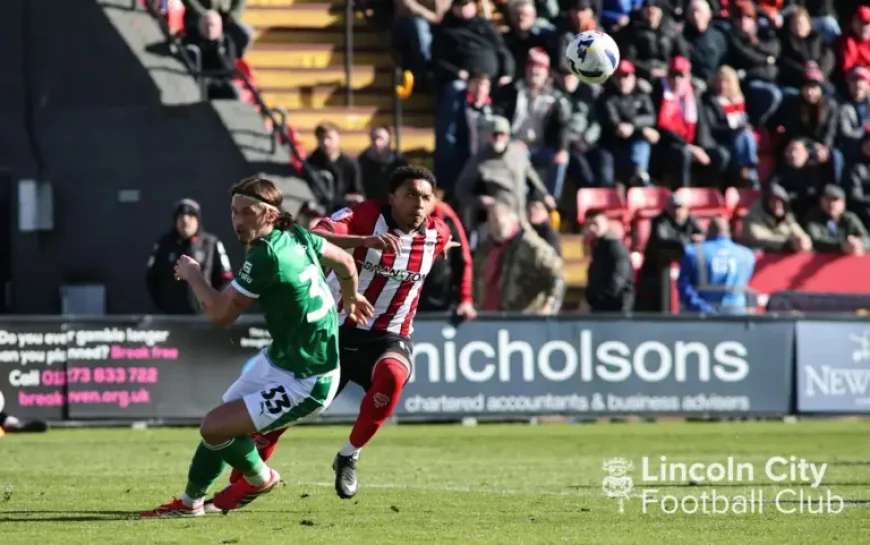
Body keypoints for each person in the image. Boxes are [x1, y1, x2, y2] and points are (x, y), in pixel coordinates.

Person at [206, 166, 457, 504]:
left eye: (425, 197)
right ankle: (245, 483)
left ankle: (349, 455)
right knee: (277, 419)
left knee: (393, 376)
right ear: (392, 197)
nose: (418, 203)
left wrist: (458, 275)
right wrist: (361, 241)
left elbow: (450, 246)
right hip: (333, 330)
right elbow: (313, 235)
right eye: (410, 194)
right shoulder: (362, 215)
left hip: (388, 334)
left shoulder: (437, 233)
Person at [141, 177, 373, 517]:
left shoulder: (267, 257)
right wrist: (352, 296)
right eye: (233, 211)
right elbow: (346, 262)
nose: (237, 220)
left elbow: (221, 315)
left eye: (246, 212)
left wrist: (193, 275)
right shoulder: (297, 235)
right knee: (219, 425)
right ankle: (191, 504)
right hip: (282, 361)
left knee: (214, 426)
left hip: (308, 380)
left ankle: (259, 477)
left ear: (268, 214)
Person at [146, 198, 233, 314]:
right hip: (170, 317)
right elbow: (151, 278)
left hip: (204, 318)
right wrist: (163, 305)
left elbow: (226, 278)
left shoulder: (211, 244)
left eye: (190, 216)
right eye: (181, 216)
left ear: (198, 220)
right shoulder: (163, 244)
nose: (185, 220)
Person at [677, 216, 756, 314]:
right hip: (737, 314)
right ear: (729, 232)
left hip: (702, 317)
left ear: (708, 231)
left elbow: (684, 286)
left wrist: (702, 308)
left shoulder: (693, 252)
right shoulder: (747, 254)